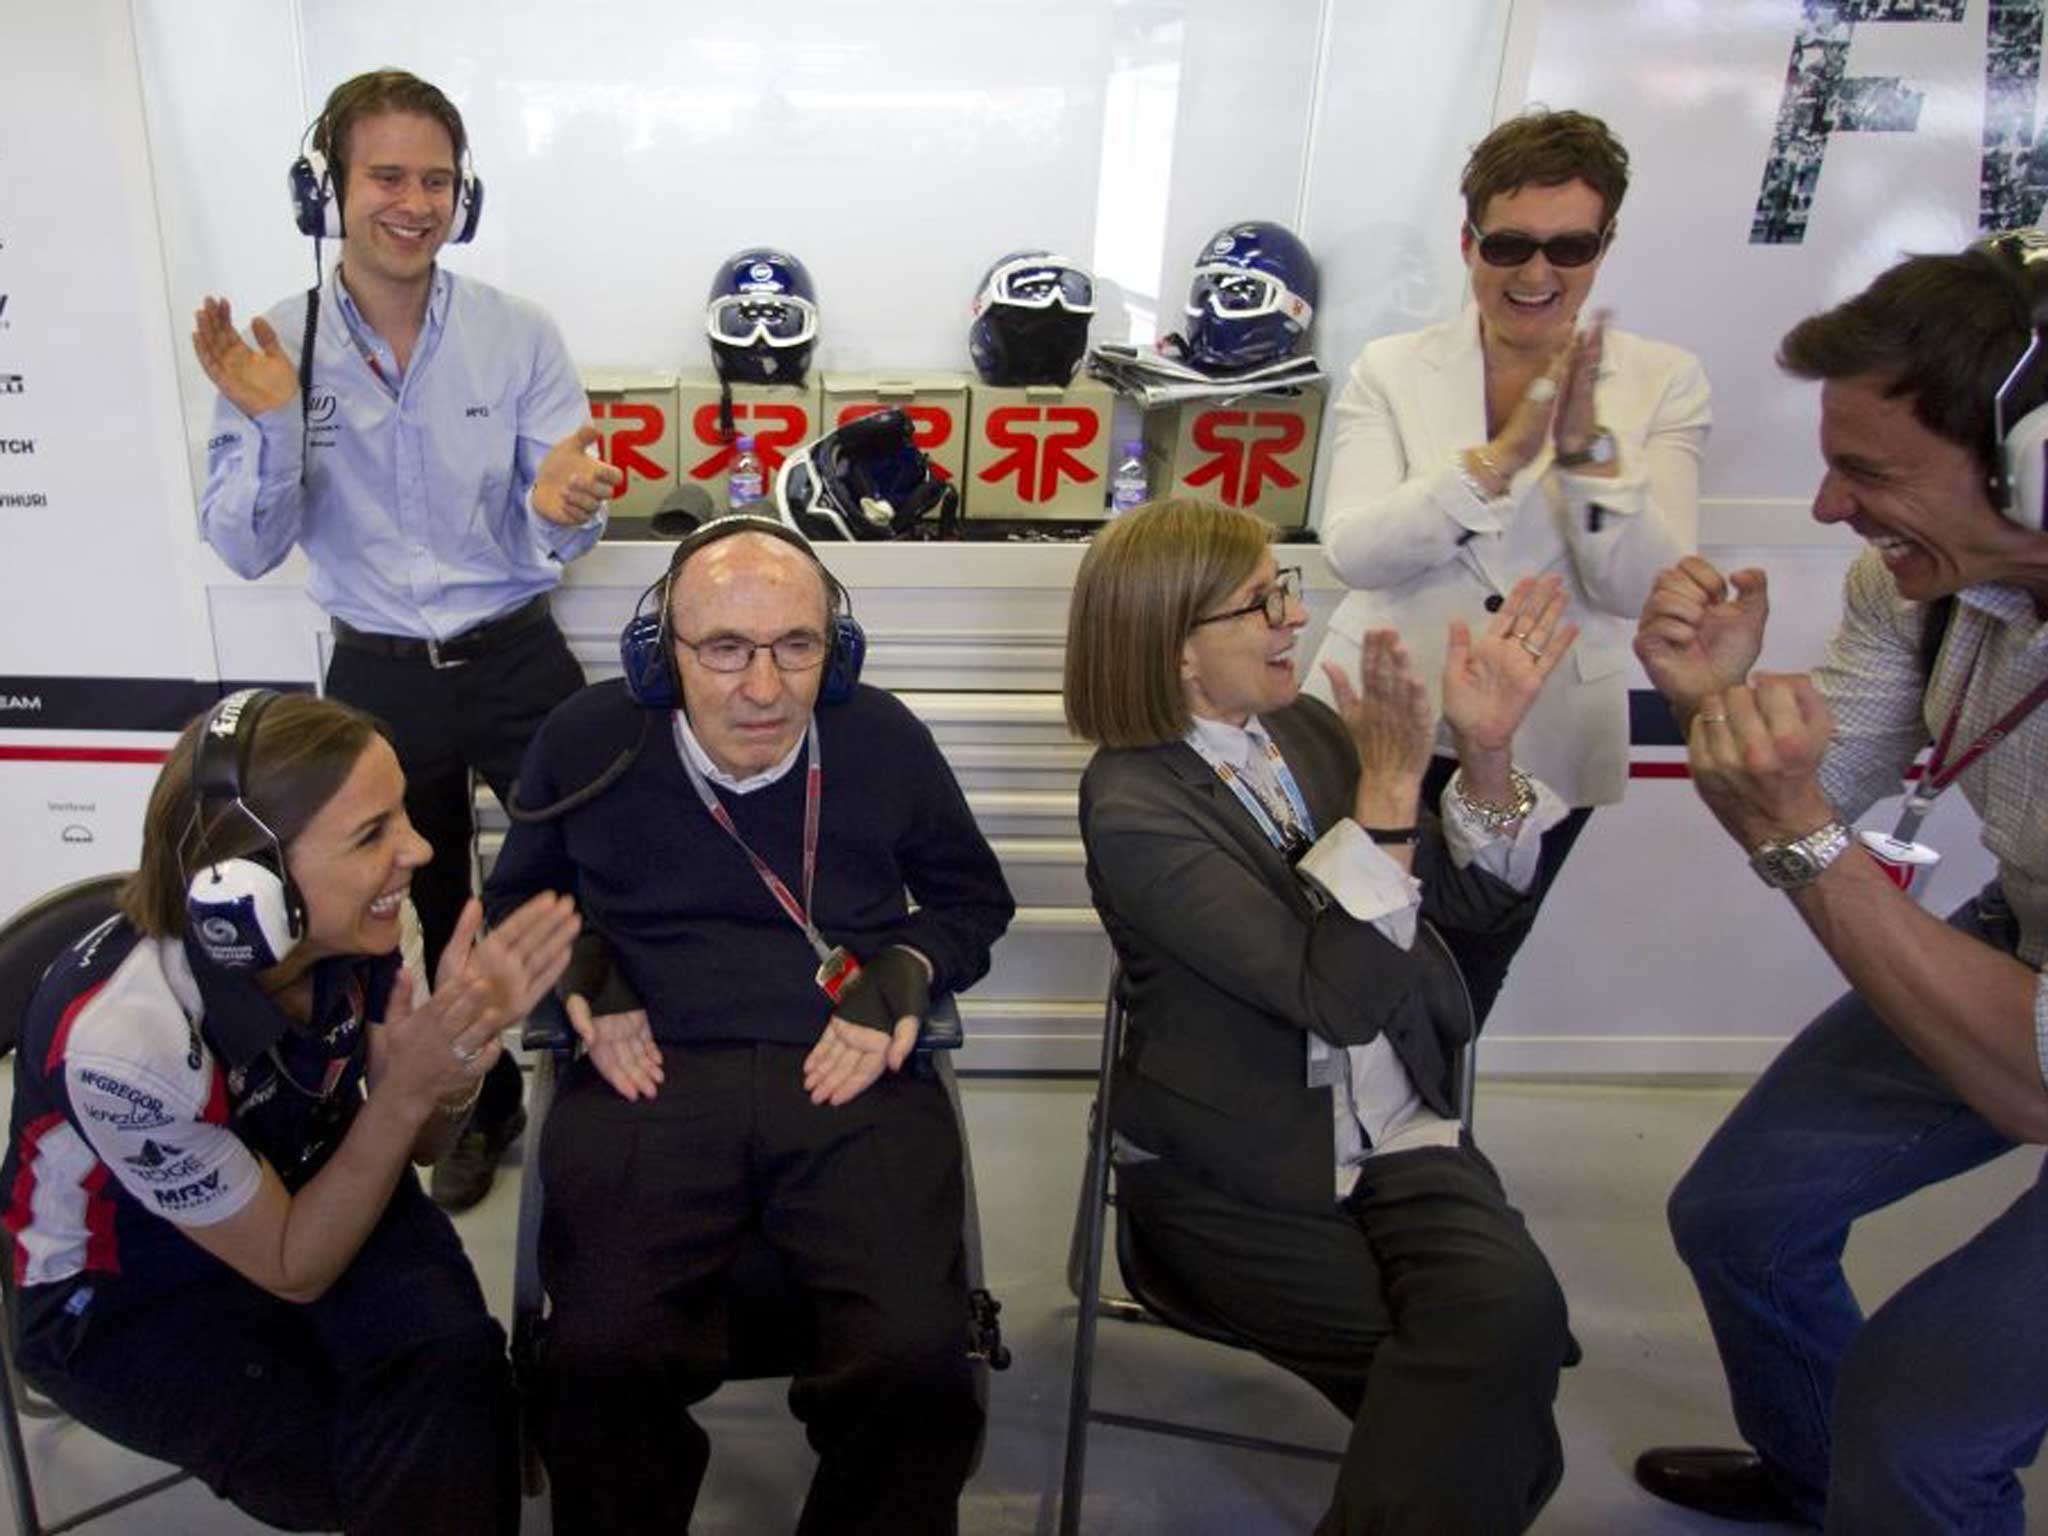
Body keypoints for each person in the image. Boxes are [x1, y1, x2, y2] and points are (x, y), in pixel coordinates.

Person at [484, 516, 1015, 1535]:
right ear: (658, 656)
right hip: (652, 1072)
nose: (762, 688)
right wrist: (586, 965)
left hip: (848, 1066)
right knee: (597, 1360)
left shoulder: (882, 739)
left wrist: (905, 966)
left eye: (796, 647)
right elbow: (518, 901)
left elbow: (970, 903)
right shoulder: (587, 742)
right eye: (723, 648)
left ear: (836, 649)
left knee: (914, 1363)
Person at [1630, 238, 2048, 1533]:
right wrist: (1713, 704)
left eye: (1869, 473)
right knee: (1742, 1218)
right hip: (2022, 936)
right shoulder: (1918, 586)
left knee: (1921, 1431)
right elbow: (1820, 782)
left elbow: (2033, 1085)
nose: (1826, 509)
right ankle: (1823, 1486)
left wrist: (1806, 838)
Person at [1066, 498, 1579, 1535]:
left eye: (1282, 590)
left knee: (1512, 1324)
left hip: (1401, 1133)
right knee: (1487, 1414)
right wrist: (1390, 791)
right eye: (1260, 604)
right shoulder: (1132, 803)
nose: (1292, 619)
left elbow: (1469, 912)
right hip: (1239, 1174)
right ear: (1174, 650)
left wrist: (1480, 757)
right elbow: (1333, 996)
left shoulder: (1297, 729)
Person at [191, 68, 622, 1211]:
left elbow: (567, 499)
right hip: (376, 673)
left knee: (585, 872)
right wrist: (274, 420)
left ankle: (601, 1075)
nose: (414, 202)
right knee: (408, 922)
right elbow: (243, 546)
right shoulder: (274, 348)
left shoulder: (516, 334)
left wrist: (560, 508)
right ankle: (472, 1108)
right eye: (386, 175)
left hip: (516, 653)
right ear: (325, 189)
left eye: (436, 179)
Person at [0, 690, 579, 1534]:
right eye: (372, 834)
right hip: (130, 1291)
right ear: (248, 884)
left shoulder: (368, 923)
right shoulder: (131, 1037)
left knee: (459, 1385)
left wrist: (451, 1059)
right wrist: (411, 1087)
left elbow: (418, 1145)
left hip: (312, 1173)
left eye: (402, 817)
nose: (418, 849)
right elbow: (290, 1262)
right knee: (378, 1467)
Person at [1307, 107, 1712, 1021]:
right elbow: (1356, 550)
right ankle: (1315, 1145)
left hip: (1547, 729)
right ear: (1468, 243)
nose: (1537, 273)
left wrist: (1587, 457)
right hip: (1377, 712)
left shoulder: (1663, 379)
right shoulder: (1391, 368)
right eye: (1510, 245)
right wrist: (1494, 460)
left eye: (1569, 248)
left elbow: (1646, 590)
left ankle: (1425, 1150)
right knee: (1336, 946)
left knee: (1464, 975)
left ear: (1605, 245)